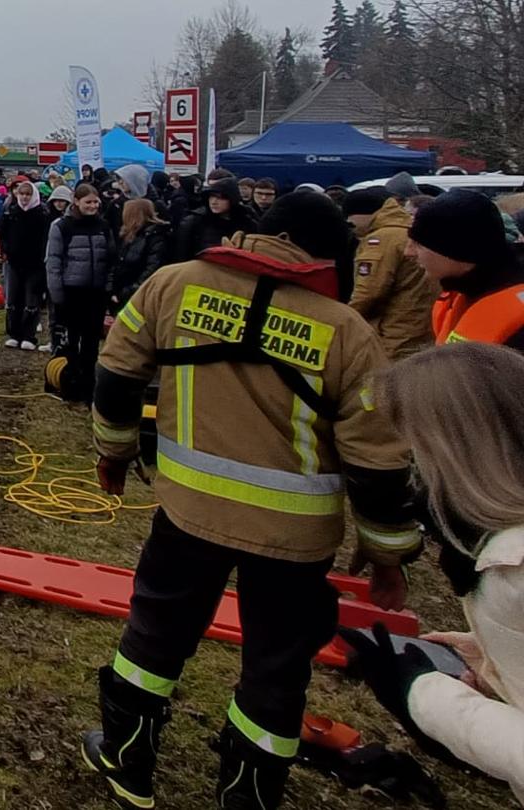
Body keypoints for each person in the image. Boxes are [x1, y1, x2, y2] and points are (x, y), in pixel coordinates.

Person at [84, 190, 422, 810]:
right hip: (294, 537)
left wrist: (114, 451)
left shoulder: (173, 286)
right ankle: (248, 798)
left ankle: (125, 756)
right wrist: (387, 555)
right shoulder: (345, 332)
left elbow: (116, 373)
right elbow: (378, 459)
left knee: (153, 638)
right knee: (277, 669)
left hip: (187, 513)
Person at [342, 342, 524, 804]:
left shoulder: (515, 569)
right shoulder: (496, 548)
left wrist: (423, 697)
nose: (410, 468)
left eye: (413, 448)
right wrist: (498, 662)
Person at [409, 190, 524, 350]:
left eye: (419, 244)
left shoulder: (519, 326)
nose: (408, 252)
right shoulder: (462, 290)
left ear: (455, 250)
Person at [344, 186, 438, 359]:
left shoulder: (381, 239)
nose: (352, 227)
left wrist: (343, 320)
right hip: (423, 328)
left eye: (350, 221)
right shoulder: (409, 229)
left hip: (394, 333)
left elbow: (369, 291)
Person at [45, 185, 116, 401]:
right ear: (76, 201)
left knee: (91, 343)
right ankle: (70, 383)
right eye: (88, 202)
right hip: (71, 292)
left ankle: (88, 385)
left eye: (96, 202)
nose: (93, 206)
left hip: (95, 293)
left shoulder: (103, 227)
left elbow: (111, 260)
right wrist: (57, 295)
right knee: (71, 341)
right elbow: (54, 262)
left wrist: (108, 287)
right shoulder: (62, 227)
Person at [0, 180, 55, 351]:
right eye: (21, 194)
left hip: (35, 264)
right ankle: (14, 334)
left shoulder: (42, 214)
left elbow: (46, 238)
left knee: (32, 300)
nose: (24, 197)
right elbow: (2, 233)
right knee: (14, 299)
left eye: (27, 194)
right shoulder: (11, 212)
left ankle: (29, 335)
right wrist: (5, 250)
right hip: (15, 262)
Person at [173, 177, 255, 262]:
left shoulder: (247, 221)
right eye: (211, 197)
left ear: (232, 199)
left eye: (220, 198)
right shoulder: (194, 222)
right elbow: (180, 256)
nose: (214, 202)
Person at [111, 199, 170, 310]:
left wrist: (127, 292)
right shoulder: (130, 235)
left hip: (138, 295)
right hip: (124, 292)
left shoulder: (155, 238)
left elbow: (151, 269)